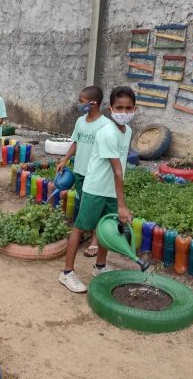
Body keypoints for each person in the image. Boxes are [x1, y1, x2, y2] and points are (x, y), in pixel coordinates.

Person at [58, 86, 137, 293]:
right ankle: (66, 273)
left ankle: (99, 267)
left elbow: (120, 168)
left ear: (134, 109)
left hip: (111, 189)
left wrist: (118, 199)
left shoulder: (127, 131)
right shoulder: (106, 133)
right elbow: (117, 170)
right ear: (110, 108)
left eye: (129, 108)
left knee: (106, 228)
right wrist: (122, 204)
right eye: (119, 107)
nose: (124, 112)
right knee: (81, 227)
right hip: (95, 188)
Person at [56, 86, 109, 258]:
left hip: (96, 174)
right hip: (80, 171)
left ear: (93, 103)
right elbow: (76, 143)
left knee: (97, 207)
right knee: (84, 203)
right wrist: (64, 160)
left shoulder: (106, 125)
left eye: (81, 101)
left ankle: (95, 240)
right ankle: (83, 232)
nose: (78, 104)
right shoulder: (80, 121)